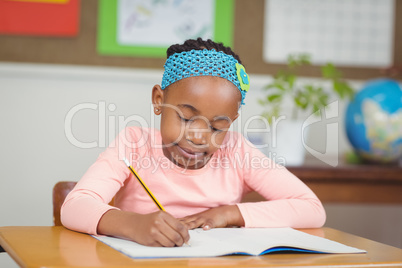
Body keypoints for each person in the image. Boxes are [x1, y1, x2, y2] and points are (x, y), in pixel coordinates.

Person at [61, 38, 326, 247]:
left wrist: (229, 213)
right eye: (186, 118)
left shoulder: (236, 151)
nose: (198, 137)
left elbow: (312, 209)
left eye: (217, 127)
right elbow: (74, 207)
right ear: (158, 100)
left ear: (231, 122)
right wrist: (134, 225)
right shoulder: (134, 144)